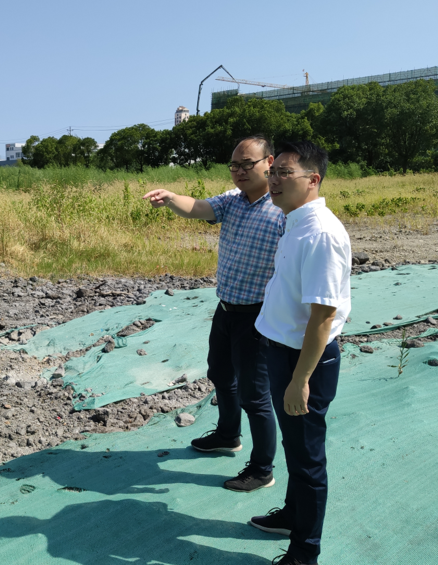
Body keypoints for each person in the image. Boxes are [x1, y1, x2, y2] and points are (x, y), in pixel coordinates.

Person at [143, 135, 284, 493]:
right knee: (220, 372)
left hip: (258, 316)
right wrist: (171, 197)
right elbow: (199, 208)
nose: (239, 171)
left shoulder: (283, 208)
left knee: (256, 394)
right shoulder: (233, 201)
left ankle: (262, 468)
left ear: (269, 162)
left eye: (247, 164)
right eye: (234, 165)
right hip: (227, 307)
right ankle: (227, 434)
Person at [250, 141, 351, 565]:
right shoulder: (294, 221)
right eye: (273, 172)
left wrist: (300, 380)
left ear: (314, 179)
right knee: (295, 448)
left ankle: (305, 552)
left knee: (308, 459)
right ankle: (293, 515)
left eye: (284, 173)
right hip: (282, 352)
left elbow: (322, 319)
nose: (273, 180)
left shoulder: (322, 234)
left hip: (303, 362)